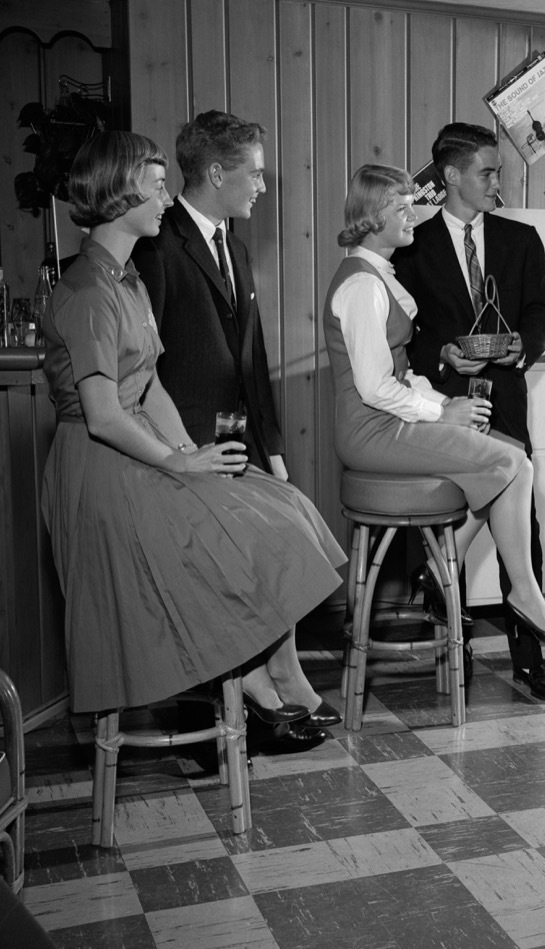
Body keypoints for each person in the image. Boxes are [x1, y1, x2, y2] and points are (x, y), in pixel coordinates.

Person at [40, 131, 346, 733]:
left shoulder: (125, 280)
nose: (164, 200)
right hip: (101, 472)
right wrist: (179, 464)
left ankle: (264, 673)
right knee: (246, 532)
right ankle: (251, 676)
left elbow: (150, 385)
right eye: (156, 190)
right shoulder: (86, 291)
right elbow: (102, 415)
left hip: (143, 452)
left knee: (278, 503)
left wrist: (191, 451)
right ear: (120, 195)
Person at [326, 164, 545, 705]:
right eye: (400, 207)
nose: (411, 214)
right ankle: (522, 594)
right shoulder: (362, 286)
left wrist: (447, 403)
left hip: (391, 418)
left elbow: (400, 374)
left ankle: (441, 577)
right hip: (372, 429)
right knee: (511, 465)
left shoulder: (377, 275)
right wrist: (442, 414)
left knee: (512, 456)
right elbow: (373, 387)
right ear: (373, 217)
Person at [132, 109, 339, 749]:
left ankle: (282, 670)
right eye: (253, 173)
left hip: (234, 445)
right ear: (216, 172)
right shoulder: (156, 246)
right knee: (265, 536)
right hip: (181, 453)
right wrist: (180, 454)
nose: (262, 187)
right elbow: (145, 369)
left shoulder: (236, 248)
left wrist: (271, 450)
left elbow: (252, 363)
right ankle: (254, 683)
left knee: (292, 515)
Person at [392, 123, 545, 703]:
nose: (499, 181)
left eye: (498, 172)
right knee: (454, 516)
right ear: (451, 177)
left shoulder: (522, 240)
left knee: (525, 531)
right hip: (445, 406)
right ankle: (456, 660)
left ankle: (529, 661)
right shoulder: (411, 245)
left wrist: (525, 345)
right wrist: (440, 360)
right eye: (488, 172)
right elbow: (405, 339)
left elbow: (540, 315)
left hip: (507, 403)